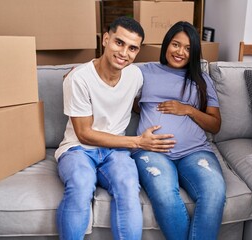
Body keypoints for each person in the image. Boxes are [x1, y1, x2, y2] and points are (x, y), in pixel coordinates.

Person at [54, 16, 176, 240]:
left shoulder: (135, 75)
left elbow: (142, 104)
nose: (124, 53)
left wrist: (183, 110)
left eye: (132, 48)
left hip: (115, 152)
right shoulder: (79, 79)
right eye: (119, 43)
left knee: (129, 186)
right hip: (78, 148)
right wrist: (138, 141)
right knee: (81, 183)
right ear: (106, 39)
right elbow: (84, 133)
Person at [131, 21, 226, 240]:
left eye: (188, 48)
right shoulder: (143, 71)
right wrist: (81, 70)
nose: (180, 52)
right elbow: (111, 72)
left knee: (214, 193)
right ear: (166, 44)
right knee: (164, 194)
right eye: (176, 44)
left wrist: (188, 110)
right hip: (152, 152)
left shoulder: (202, 80)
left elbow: (215, 125)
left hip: (195, 152)